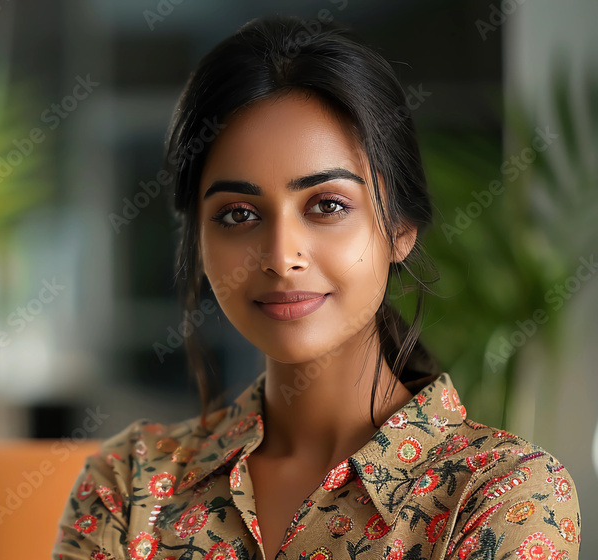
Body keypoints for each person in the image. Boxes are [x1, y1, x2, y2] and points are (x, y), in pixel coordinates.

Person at [52, 14, 581, 560]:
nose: (282, 258)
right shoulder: (129, 487)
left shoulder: (501, 496)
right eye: (237, 214)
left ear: (400, 228)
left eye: (327, 206)